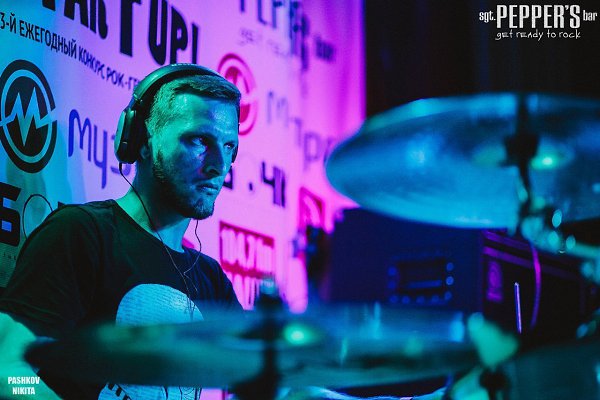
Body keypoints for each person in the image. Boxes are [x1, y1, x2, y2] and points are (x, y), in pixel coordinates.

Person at [0, 64, 243, 399]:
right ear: (142, 142)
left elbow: (273, 379)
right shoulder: (81, 234)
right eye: (199, 140)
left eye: (229, 147)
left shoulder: (211, 279)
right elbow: (9, 371)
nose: (219, 165)